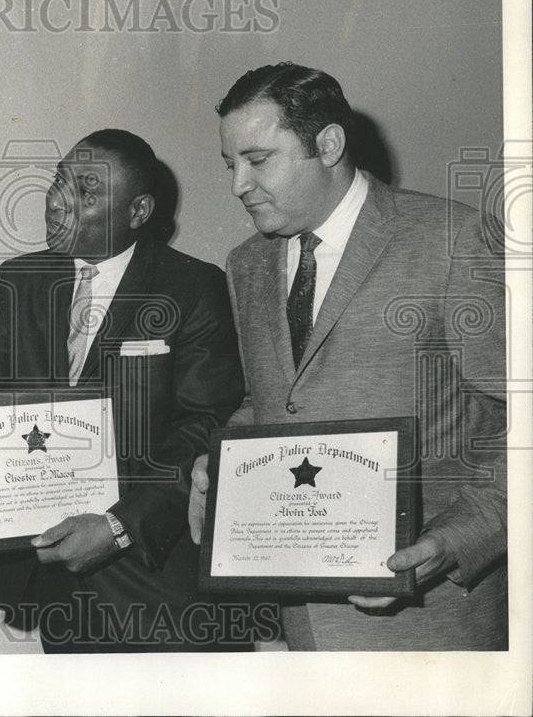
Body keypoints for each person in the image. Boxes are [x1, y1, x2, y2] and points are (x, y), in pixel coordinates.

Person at [189, 62, 507, 651]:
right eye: (230, 164)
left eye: (258, 161)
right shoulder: (247, 264)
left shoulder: (453, 239)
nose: (238, 184)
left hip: (436, 624)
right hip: (304, 624)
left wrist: (459, 538)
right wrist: (225, 462)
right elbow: (271, 399)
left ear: (329, 144)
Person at [0, 129, 247, 652]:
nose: (57, 204)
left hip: (160, 585)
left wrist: (118, 527)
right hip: (58, 581)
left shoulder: (192, 287)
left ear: (138, 211)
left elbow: (207, 426)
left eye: (87, 192)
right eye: (59, 182)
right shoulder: (20, 279)